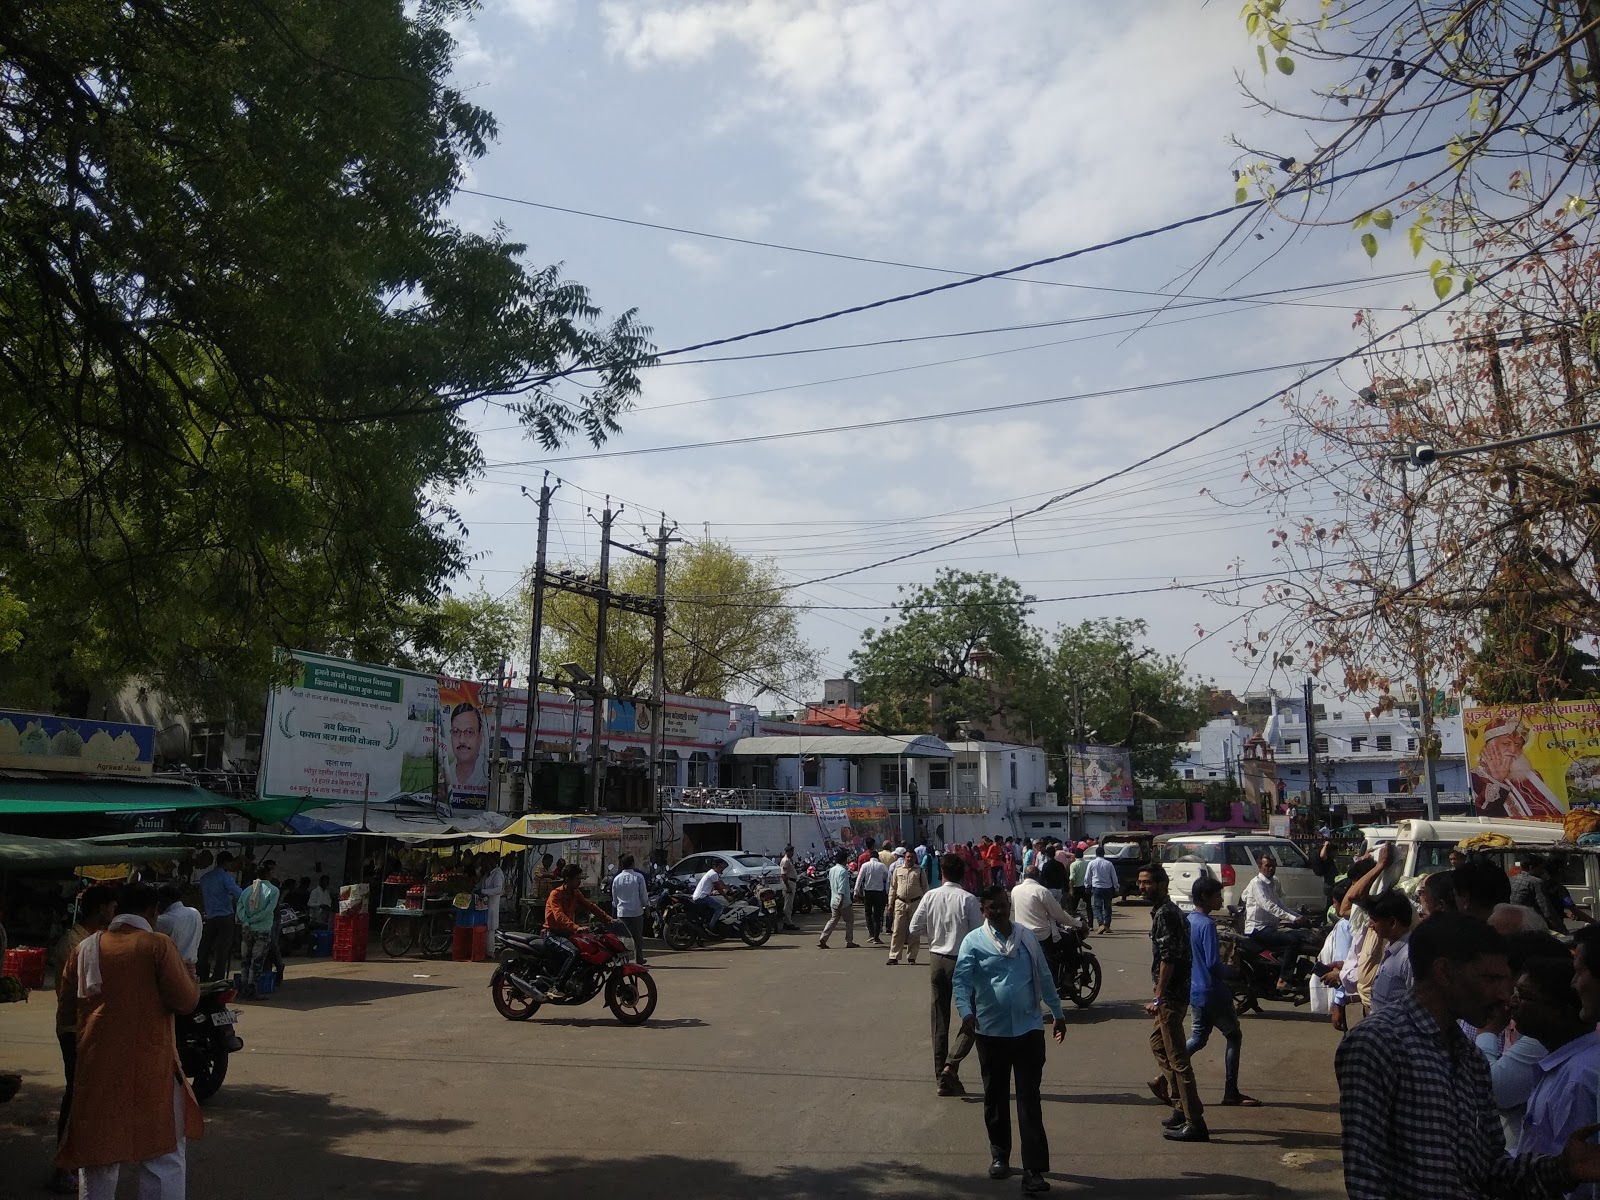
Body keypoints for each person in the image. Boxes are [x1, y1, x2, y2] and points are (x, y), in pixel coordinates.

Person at [1336, 912, 1600, 1199]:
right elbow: (1366, 1180)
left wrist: (1564, 1169)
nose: (1504, 996)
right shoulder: (1378, 1044)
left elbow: (1491, 1171)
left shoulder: (1470, 1058)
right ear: (1444, 973)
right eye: (1490, 979)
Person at [56, 881, 204, 1200]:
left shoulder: (85, 948)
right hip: (151, 1067)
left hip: (97, 1067)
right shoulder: (157, 945)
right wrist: (190, 976)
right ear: (153, 912)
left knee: (99, 1155)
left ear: (117, 910)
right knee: (163, 1154)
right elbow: (186, 1001)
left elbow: (66, 1010)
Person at [952, 885, 1066, 1194]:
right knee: (996, 1097)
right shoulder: (973, 942)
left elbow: (1044, 975)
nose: (1000, 911)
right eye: (993, 907)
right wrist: (965, 1012)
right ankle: (1000, 1154)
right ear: (984, 910)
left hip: (1029, 1030)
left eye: (1003, 905)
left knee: (1029, 1099)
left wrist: (1057, 1012)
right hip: (991, 1032)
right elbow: (961, 981)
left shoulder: (1026, 937)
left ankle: (1034, 1170)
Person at [46, 885, 116, 1194]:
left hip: (87, 1028)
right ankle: (63, 1167)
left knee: (85, 1096)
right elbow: (78, 994)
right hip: (75, 1029)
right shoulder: (74, 943)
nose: (114, 912)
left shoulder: (92, 939)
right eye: (112, 906)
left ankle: (74, 1160)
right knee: (76, 1096)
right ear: (101, 908)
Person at [1512, 954, 1600, 1194]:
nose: (1512, 1003)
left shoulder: (1580, 1077)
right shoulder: (1563, 1065)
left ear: (1562, 1011)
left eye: (1524, 996)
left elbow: (1580, 1181)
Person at [1477, 933, 1572, 1150]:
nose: (1511, 999)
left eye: (1502, 977)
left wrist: (1487, 1032)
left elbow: (1496, 1089)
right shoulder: (1522, 1022)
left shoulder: (1542, 1038)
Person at [1138, 865, 1207, 1142]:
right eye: (1140, 882)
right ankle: (1181, 1107)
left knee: (1178, 1059)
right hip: (1173, 994)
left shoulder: (1166, 913)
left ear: (1163, 884)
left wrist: (1158, 996)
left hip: (1171, 996)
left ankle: (1195, 1121)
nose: (1142, 887)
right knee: (1158, 1045)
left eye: (1147, 882)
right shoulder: (1164, 911)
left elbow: (1169, 957)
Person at [911, 852, 984, 1096]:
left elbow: (914, 927)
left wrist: (934, 934)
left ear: (942, 873)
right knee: (973, 1016)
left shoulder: (931, 896)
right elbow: (979, 934)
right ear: (963, 875)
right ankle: (951, 1064)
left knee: (939, 1020)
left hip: (936, 958)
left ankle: (941, 1078)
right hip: (961, 960)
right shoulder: (968, 899)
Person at [1186, 876, 1257, 1108]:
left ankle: (1165, 1074)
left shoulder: (1189, 921)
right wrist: (1234, 973)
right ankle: (1231, 1091)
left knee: (1198, 1038)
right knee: (1233, 1036)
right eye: (1217, 896)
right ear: (1205, 897)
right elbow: (1213, 964)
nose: (1220, 900)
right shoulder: (1206, 925)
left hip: (1195, 990)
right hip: (1212, 990)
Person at [1240, 853, 1312, 992]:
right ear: (1260, 867)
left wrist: (1299, 917)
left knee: (1301, 935)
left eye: (1273, 866)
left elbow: (1280, 905)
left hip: (1270, 928)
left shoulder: (1273, 883)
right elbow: (1269, 906)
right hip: (1258, 929)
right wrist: (1292, 919)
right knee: (1291, 941)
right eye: (1267, 866)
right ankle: (1283, 979)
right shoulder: (1257, 884)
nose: (1271, 869)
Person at [543, 864, 613, 996]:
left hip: (568, 934)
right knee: (573, 953)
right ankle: (556, 987)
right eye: (577, 878)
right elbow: (559, 916)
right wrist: (576, 927)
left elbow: (590, 906)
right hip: (553, 934)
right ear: (567, 879)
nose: (579, 881)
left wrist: (608, 919)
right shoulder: (556, 894)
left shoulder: (575, 893)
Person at [1364, 889, 1416, 1015]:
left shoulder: (1409, 957)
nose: (1370, 925)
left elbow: (1416, 1005)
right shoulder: (1390, 948)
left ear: (1392, 922)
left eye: (1375, 920)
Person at [196, 851, 242, 982]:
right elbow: (239, 894)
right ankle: (218, 977)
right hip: (225, 916)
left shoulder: (204, 878)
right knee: (222, 949)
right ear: (227, 862)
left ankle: (202, 974)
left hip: (210, 916)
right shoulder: (225, 877)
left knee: (205, 947)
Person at [235, 870, 279, 998]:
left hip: (247, 929)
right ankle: (251, 990)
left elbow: (239, 907)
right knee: (257, 962)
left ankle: (243, 988)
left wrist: (246, 922)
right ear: (269, 875)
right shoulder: (273, 890)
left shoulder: (247, 890)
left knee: (245, 961)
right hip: (262, 929)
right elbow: (268, 911)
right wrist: (253, 920)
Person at [885, 846, 929, 965]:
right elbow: (893, 887)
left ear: (915, 858)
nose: (909, 859)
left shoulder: (920, 871)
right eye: (908, 857)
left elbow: (925, 888)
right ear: (904, 857)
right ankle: (894, 956)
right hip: (900, 903)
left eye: (912, 857)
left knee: (914, 931)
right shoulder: (898, 870)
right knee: (897, 930)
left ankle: (912, 957)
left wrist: (926, 905)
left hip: (915, 903)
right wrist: (890, 903)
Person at [1011, 866, 1075, 946]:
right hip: (1041, 935)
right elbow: (1059, 914)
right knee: (1071, 940)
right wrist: (1077, 923)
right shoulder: (1042, 891)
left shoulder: (1015, 890)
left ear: (1025, 876)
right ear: (1039, 876)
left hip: (1021, 934)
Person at [610, 854, 650, 965]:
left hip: (622, 912)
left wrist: (617, 908)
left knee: (624, 938)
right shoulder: (638, 877)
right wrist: (646, 907)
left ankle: (625, 960)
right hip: (636, 911)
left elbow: (614, 898)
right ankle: (639, 958)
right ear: (633, 863)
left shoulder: (617, 879)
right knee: (638, 937)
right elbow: (643, 895)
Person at [155, 884, 202, 976]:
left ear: (164, 901)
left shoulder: (165, 920)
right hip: (191, 968)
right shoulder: (195, 913)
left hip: (171, 969)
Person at [817, 850, 859, 949]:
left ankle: (823, 937)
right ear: (845, 860)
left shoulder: (832, 870)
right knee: (849, 920)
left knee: (833, 920)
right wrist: (841, 899)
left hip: (833, 900)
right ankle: (849, 941)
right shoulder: (843, 871)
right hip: (843, 901)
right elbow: (842, 886)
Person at [446, 700, 487, 793]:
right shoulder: (445, 774)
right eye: (456, 732)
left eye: (469, 732)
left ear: (480, 737)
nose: (462, 740)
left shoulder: (486, 774)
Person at [855, 849, 891, 945]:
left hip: (868, 891)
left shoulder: (865, 865)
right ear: (877, 858)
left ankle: (871, 933)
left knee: (868, 913)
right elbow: (888, 878)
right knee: (877, 914)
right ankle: (876, 936)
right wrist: (887, 890)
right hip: (879, 892)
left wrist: (856, 890)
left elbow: (859, 878)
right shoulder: (882, 866)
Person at [1083, 850, 1118, 934]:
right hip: (1108, 887)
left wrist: (1087, 885)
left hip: (1096, 887)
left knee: (1097, 907)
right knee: (1108, 907)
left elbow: (1087, 876)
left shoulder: (1091, 863)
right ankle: (1107, 925)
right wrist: (1116, 887)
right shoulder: (1109, 864)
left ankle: (1101, 924)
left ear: (1096, 854)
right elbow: (1114, 876)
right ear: (1103, 854)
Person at [478, 854, 506, 945]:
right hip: (485, 904)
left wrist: (484, 891)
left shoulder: (497, 874)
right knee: (485, 928)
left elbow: (498, 889)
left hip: (492, 904)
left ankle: (490, 950)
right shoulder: (488, 873)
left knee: (490, 929)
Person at [692, 861, 729, 929]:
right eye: (720, 867)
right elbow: (719, 888)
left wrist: (728, 888)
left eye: (722, 868)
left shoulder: (711, 872)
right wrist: (727, 897)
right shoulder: (713, 874)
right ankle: (711, 926)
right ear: (715, 867)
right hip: (702, 897)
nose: (721, 869)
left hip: (700, 896)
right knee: (720, 907)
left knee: (717, 900)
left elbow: (720, 883)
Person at [779, 845, 800, 932]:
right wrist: (788, 887)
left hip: (791, 882)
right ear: (787, 852)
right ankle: (788, 923)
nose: (792, 853)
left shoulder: (788, 860)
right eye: (791, 852)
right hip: (789, 883)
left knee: (790, 904)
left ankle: (787, 922)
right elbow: (783, 875)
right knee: (788, 904)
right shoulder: (785, 861)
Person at [1068, 851, 1090, 924]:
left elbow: (1072, 878)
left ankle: (1073, 923)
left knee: (1073, 908)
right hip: (1086, 887)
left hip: (1076, 888)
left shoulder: (1073, 865)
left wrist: (1071, 889)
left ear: (1075, 856)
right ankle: (1090, 924)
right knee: (1088, 907)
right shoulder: (1087, 864)